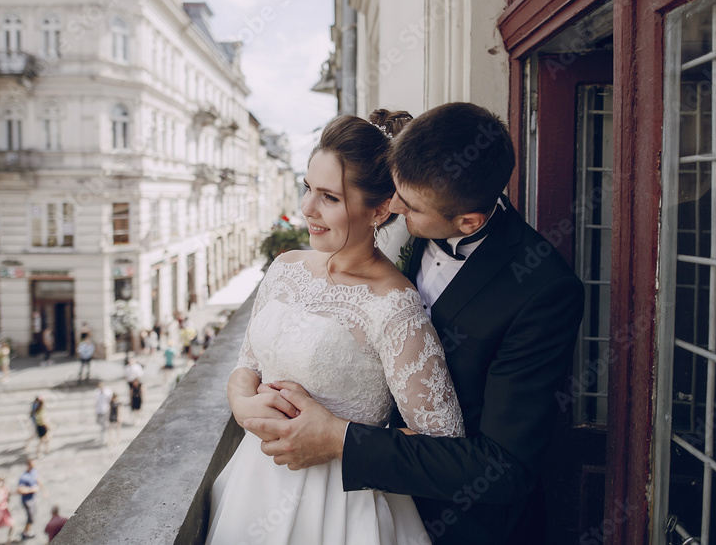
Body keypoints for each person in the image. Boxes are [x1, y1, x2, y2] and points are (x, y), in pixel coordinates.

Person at [247, 103, 586, 544]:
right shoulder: (410, 212)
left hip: (461, 523)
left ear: (468, 222)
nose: (393, 209)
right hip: (339, 503)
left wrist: (340, 440)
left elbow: (504, 467)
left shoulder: (543, 290)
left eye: (408, 208)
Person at [204, 114, 464, 545]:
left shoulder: (394, 306)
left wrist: (338, 438)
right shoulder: (285, 268)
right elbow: (246, 366)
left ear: (379, 210)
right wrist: (241, 405)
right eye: (308, 188)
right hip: (250, 486)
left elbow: (443, 443)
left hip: (338, 508)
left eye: (329, 197)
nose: (307, 209)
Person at [17, 458, 45, 540]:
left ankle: (27, 530)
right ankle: (26, 532)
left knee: (32, 515)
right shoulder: (24, 477)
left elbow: (38, 479)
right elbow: (20, 489)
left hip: (32, 498)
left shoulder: (34, 471)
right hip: (27, 500)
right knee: (31, 516)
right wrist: (32, 489)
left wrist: (43, 491)